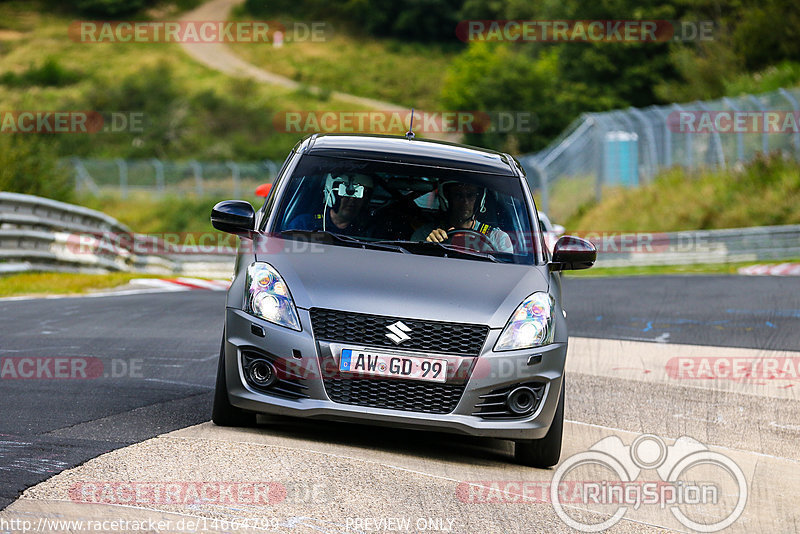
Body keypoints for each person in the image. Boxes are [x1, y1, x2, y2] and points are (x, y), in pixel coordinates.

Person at [411, 181, 513, 253]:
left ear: (478, 200)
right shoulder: (424, 235)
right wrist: (427, 247)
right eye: (458, 195)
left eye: (470, 195)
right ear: (447, 198)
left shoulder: (498, 239)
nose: (465, 202)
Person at [286, 173, 373, 236]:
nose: (352, 199)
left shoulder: (368, 232)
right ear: (330, 193)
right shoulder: (304, 225)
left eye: (358, 194)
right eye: (343, 192)